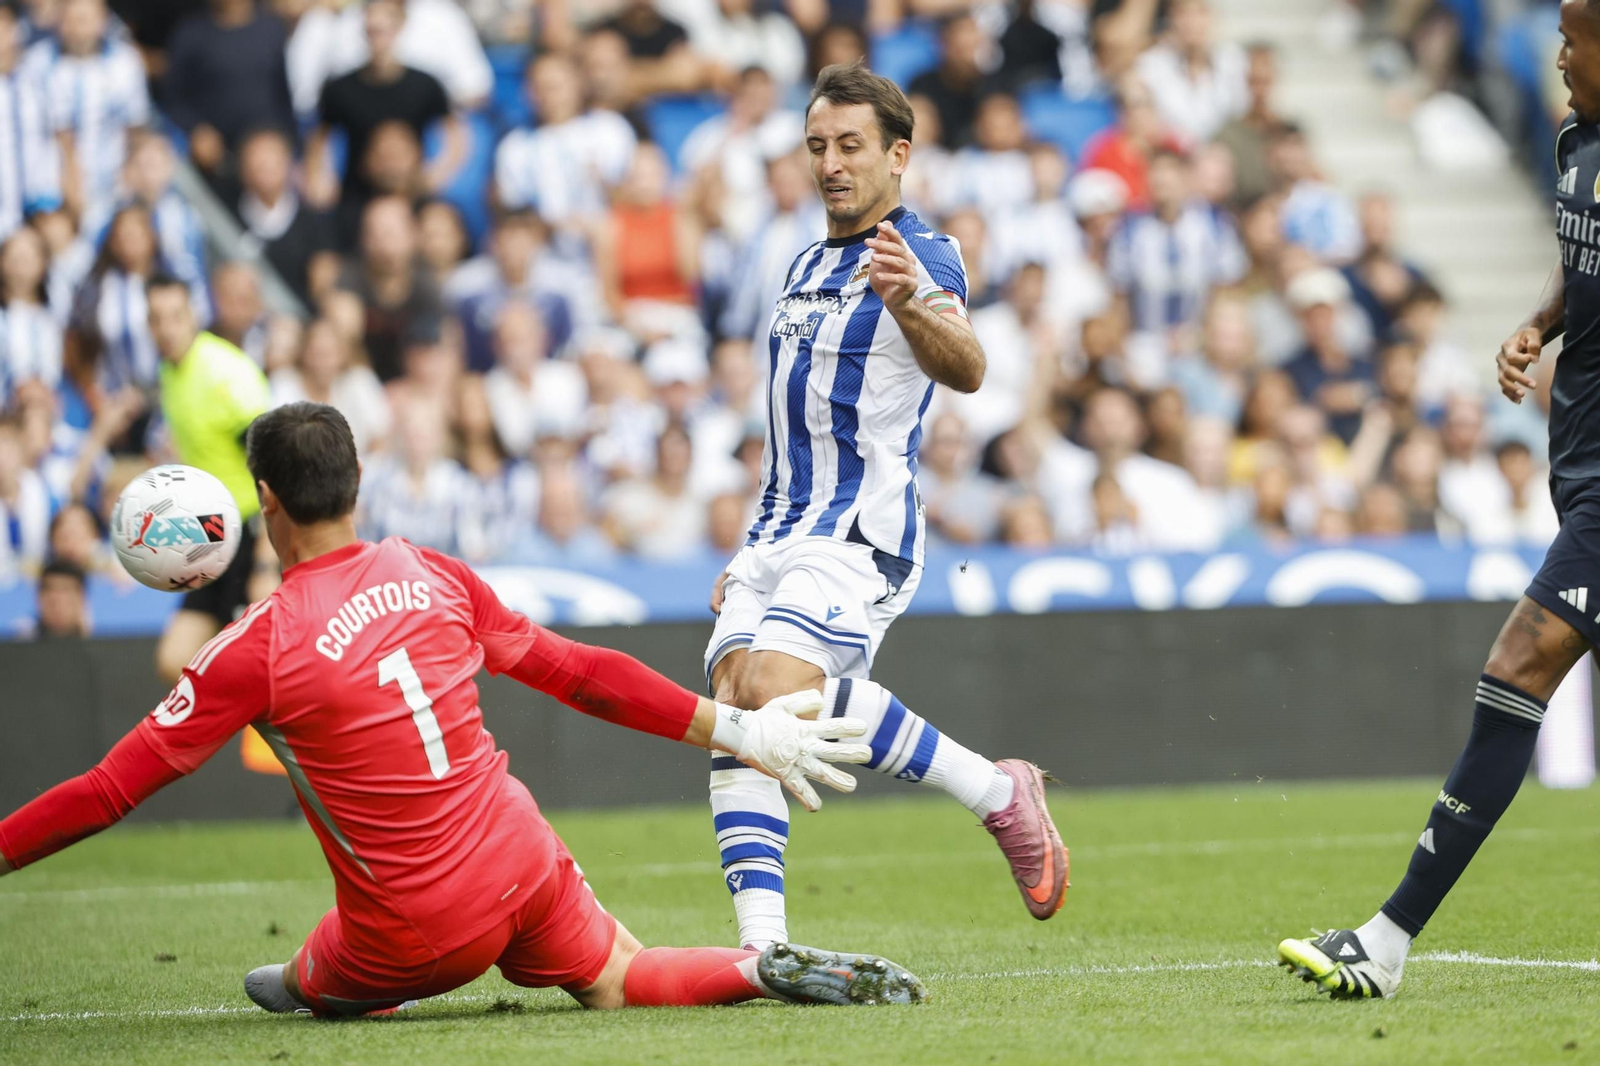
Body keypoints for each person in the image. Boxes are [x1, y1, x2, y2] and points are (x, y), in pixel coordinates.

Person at [0, 401, 927, 1014]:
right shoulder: (430, 572)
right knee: (618, 979)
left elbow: (106, 792)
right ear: (357, 483)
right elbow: (581, 672)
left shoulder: (256, 648)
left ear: (266, 501)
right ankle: (756, 966)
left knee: (279, 989)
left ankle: (311, 979)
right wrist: (734, 728)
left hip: (411, 928)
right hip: (520, 858)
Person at [704, 64, 1068, 954]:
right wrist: (752, 546)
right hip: (777, 531)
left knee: (775, 693)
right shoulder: (799, 264)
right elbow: (787, 415)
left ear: (897, 155)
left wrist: (908, 300)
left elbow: (970, 368)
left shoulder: (921, 252)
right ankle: (765, 948)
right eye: (819, 147)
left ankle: (995, 792)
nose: (831, 164)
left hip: (859, 530)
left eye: (851, 146)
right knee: (734, 707)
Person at [1277, 0, 1600, 999]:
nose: (1556, 52)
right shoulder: (1574, 141)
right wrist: (1541, 321)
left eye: (1574, 34)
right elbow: (1580, 253)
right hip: (1579, 458)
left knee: (1520, 659)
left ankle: (1385, 939)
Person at [146, 273, 275, 684]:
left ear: (194, 317)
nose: (166, 329)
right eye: (155, 319)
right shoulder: (169, 372)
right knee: (175, 660)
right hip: (211, 538)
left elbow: (274, 466)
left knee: (277, 666)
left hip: (257, 533)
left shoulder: (224, 375)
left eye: (175, 317)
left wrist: (267, 560)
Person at [33, 556, 88, 638]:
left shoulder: (103, 646)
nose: (57, 602)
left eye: (65, 590)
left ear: (81, 598)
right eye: (50, 590)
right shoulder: (18, 644)